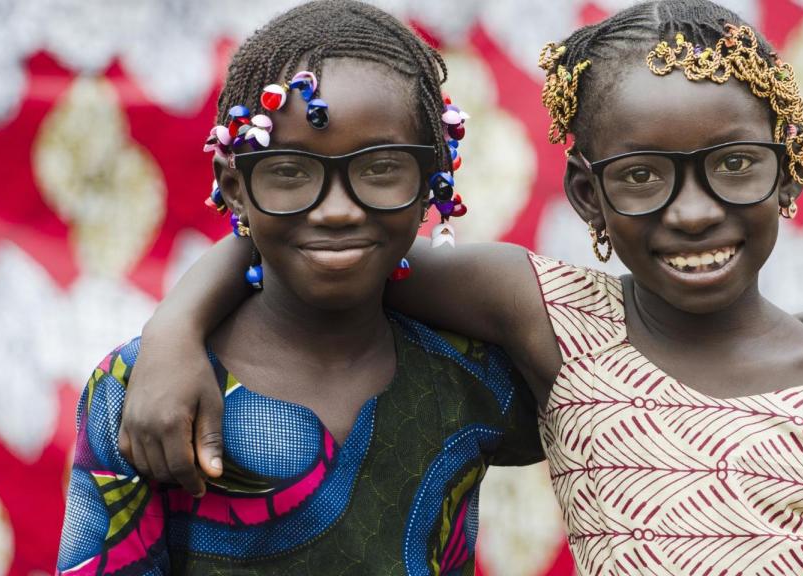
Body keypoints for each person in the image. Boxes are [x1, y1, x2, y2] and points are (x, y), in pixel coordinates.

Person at [117, 1, 803, 573]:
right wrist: (173, 335)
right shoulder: (556, 318)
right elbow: (331, 237)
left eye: (735, 167)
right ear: (587, 197)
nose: (695, 212)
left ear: (789, 175)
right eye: (641, 177)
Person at [55, 2, 543, 575]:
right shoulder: (145, 391)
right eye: (290, 171)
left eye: (381, 169)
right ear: (234, 187)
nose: (337, 211)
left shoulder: (473, 376)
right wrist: (175, 328)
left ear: (433, 178)